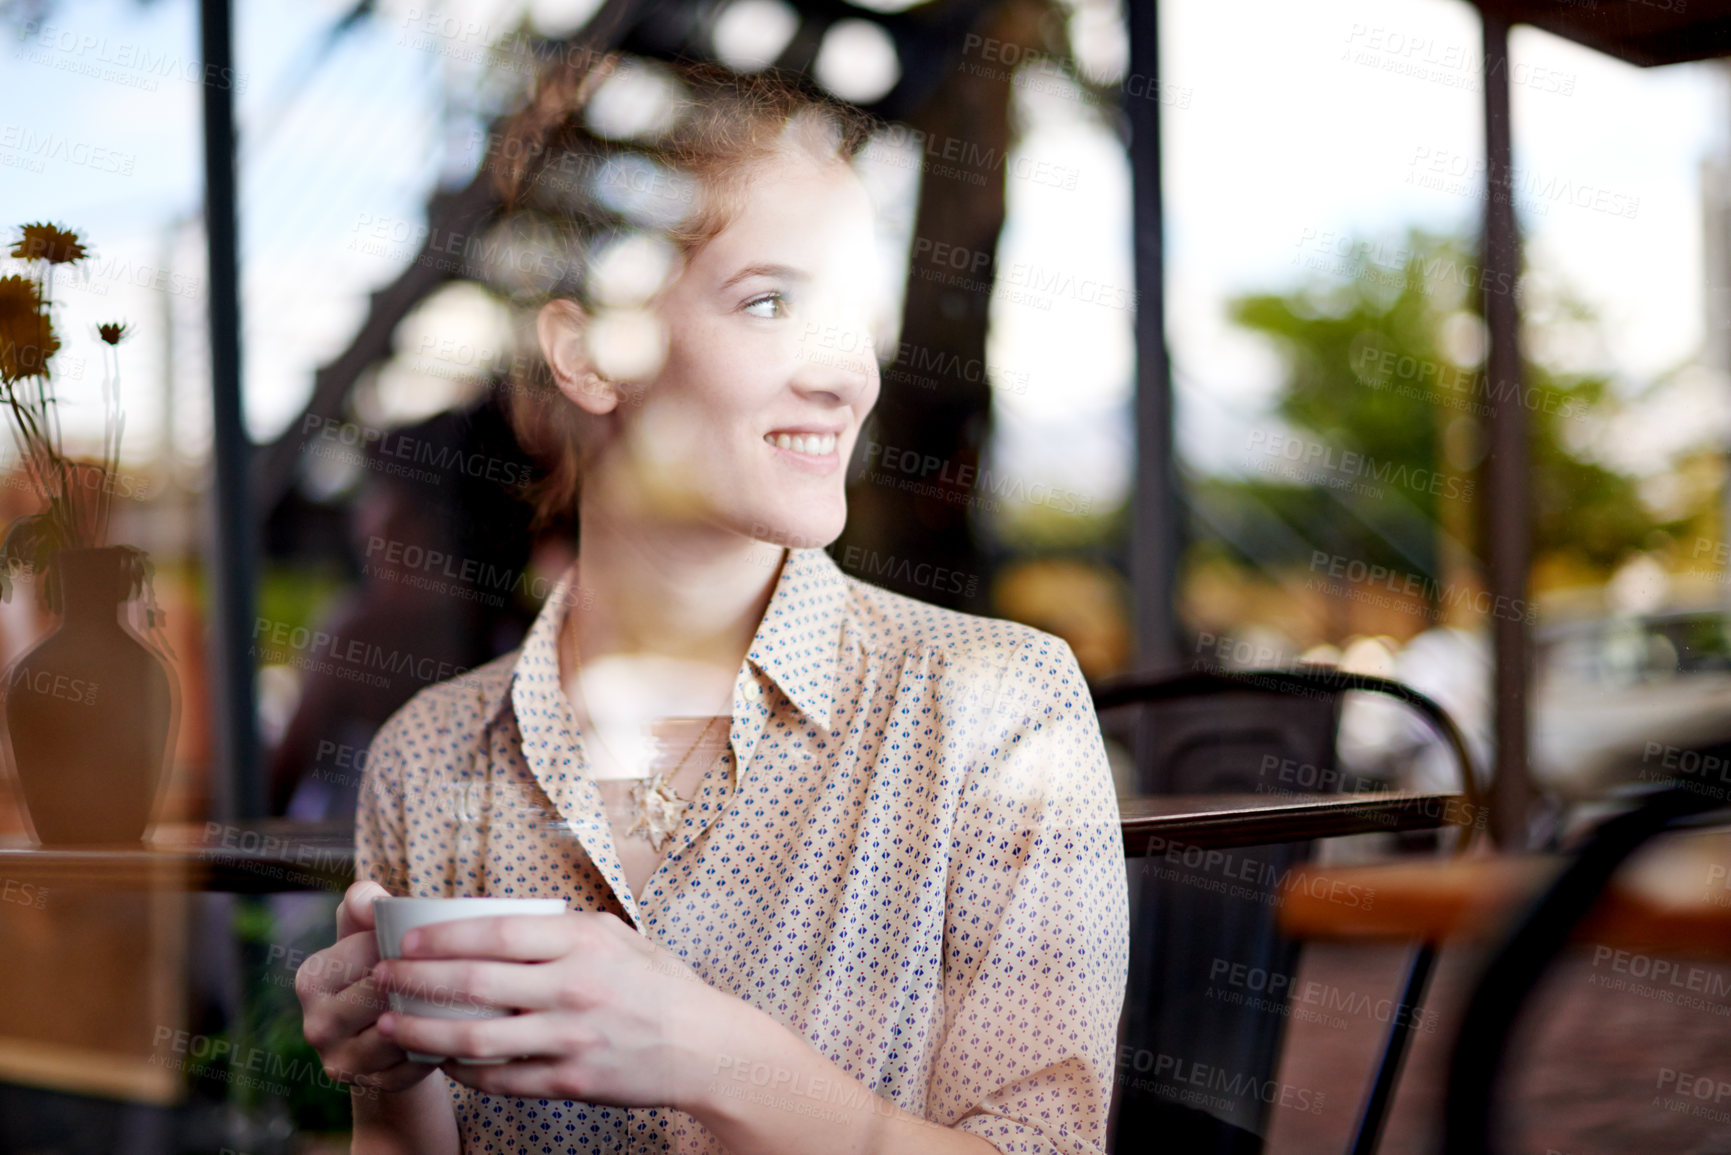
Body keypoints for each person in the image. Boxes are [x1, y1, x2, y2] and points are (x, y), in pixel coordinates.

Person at [295, 55, 1128, 1155]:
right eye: (771, 302)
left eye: (854, 313)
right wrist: (387, 1081)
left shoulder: (996, 709)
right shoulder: (431, 755)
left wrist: (711, 1058)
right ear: (586, 353)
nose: (846, 375)